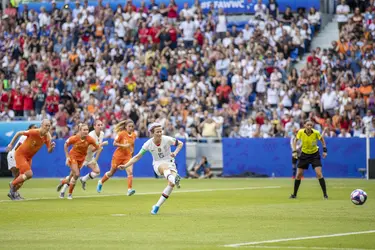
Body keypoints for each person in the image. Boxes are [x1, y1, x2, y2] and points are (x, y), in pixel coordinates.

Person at [119, 123, 184, 215]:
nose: (160, 133)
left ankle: (156, 206)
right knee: (166, 170)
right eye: (157, 132)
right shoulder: (148, 144)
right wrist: (125, 165)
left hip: (170, 162)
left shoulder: (167, 139)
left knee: (171, 184)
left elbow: (180, 144)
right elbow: (137, 157)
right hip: (158, 164)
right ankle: (174, 179)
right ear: (152, 133)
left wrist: (175, 153)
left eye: (161, 131)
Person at [6, 119, 55, 200]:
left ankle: (13, 193)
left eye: (49, 125)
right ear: (42, 125)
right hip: (20, 154)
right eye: (46, 125)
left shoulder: (48, 136)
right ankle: (12, 184)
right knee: (29, 174)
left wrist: (51, 148)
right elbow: (18, 133)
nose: (48, 127)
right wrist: (11, 144)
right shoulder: (33, 132)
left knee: (23, 178)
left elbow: (49, 151)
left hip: (29, 157)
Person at [58, 120, 107, 196]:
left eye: (101, 125)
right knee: (74, 175)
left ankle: (83, 179)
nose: (100, 126)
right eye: (98, 125)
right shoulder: (90, 135)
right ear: (94, 126)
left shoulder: (102, 134)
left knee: (97, 171)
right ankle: (64, 189)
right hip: (84, 157)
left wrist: (98, 149)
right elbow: (91, 149)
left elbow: (97, 148)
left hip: (90, 157)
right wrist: (101, 145)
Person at [97, 120, 137, 196]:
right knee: (111, 173)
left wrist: (132, 152)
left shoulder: (134, 135)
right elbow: (114, 143)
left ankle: (129, 190)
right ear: (125, 127)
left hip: (127, 156)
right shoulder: (121, 134)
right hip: (118, 156)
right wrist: (123, 146)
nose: (131, 128)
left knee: (130, 172)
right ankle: (101, 182)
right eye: (129, 126)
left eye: (132, 126)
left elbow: (132, 144)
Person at [290, 120, 328, 199]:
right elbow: (295, 141)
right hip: (304, 155)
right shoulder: (300, 132)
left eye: (311, 125)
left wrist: (324, 151)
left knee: (319, 174)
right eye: (308, 125)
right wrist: (294, 151)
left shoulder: (316, 133)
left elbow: (322, 140)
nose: (309, 126)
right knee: (298, 175)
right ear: (304, 125)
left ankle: (325, 195)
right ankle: (294, 194)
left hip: (315, 155)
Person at [6, 124, 38, 199]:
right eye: (34, 127)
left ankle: (13, 192)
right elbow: (18, 148)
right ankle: (13, 192)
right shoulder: (25, 137)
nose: (36, 129)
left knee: (21, 177)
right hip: (14, 156)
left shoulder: (33, 139)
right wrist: (11, 144)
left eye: (37, 128)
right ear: (29, 129)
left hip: (20, 157)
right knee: (20, 176)